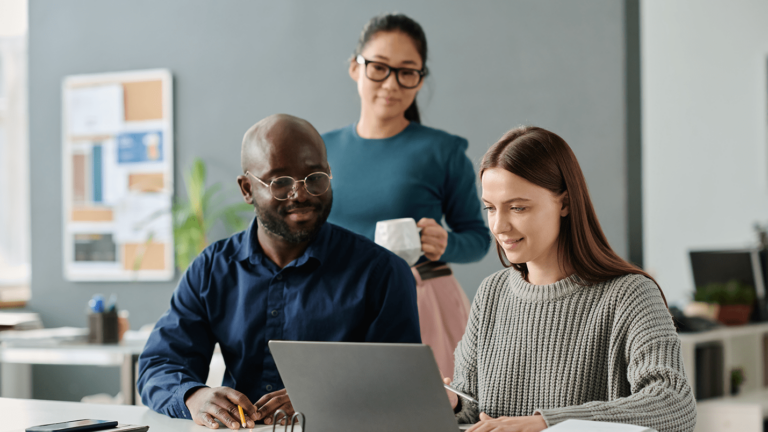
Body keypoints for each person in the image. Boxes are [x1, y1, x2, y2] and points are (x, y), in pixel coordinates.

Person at [137, 114, 421, 430]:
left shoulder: (382, 273)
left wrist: (322, 397)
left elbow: (401, 384)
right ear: (247, 189)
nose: (301, 194)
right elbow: (159, 365)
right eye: (280, 182)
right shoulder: (211, 269)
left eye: (314, 177)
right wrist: (195, 396)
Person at [444, 126, 697, 432]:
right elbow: (473, 407)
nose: (499, 226)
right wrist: (453, 403)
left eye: (518, 207)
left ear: (564, 203)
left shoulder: (630, 294)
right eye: (490, 208)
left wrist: (547, 424)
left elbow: (673, 405)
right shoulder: (491, 293)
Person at [322, 13, 491, 379]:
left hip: (421, 304)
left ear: (420, 78)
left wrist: (445, 243)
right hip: (334, 305)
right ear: (355, 67)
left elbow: (478, 239)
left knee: (425, 413)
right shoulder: (320, 150)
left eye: (407, 71)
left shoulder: (443, 151)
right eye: (379, 68)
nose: (391, 83)